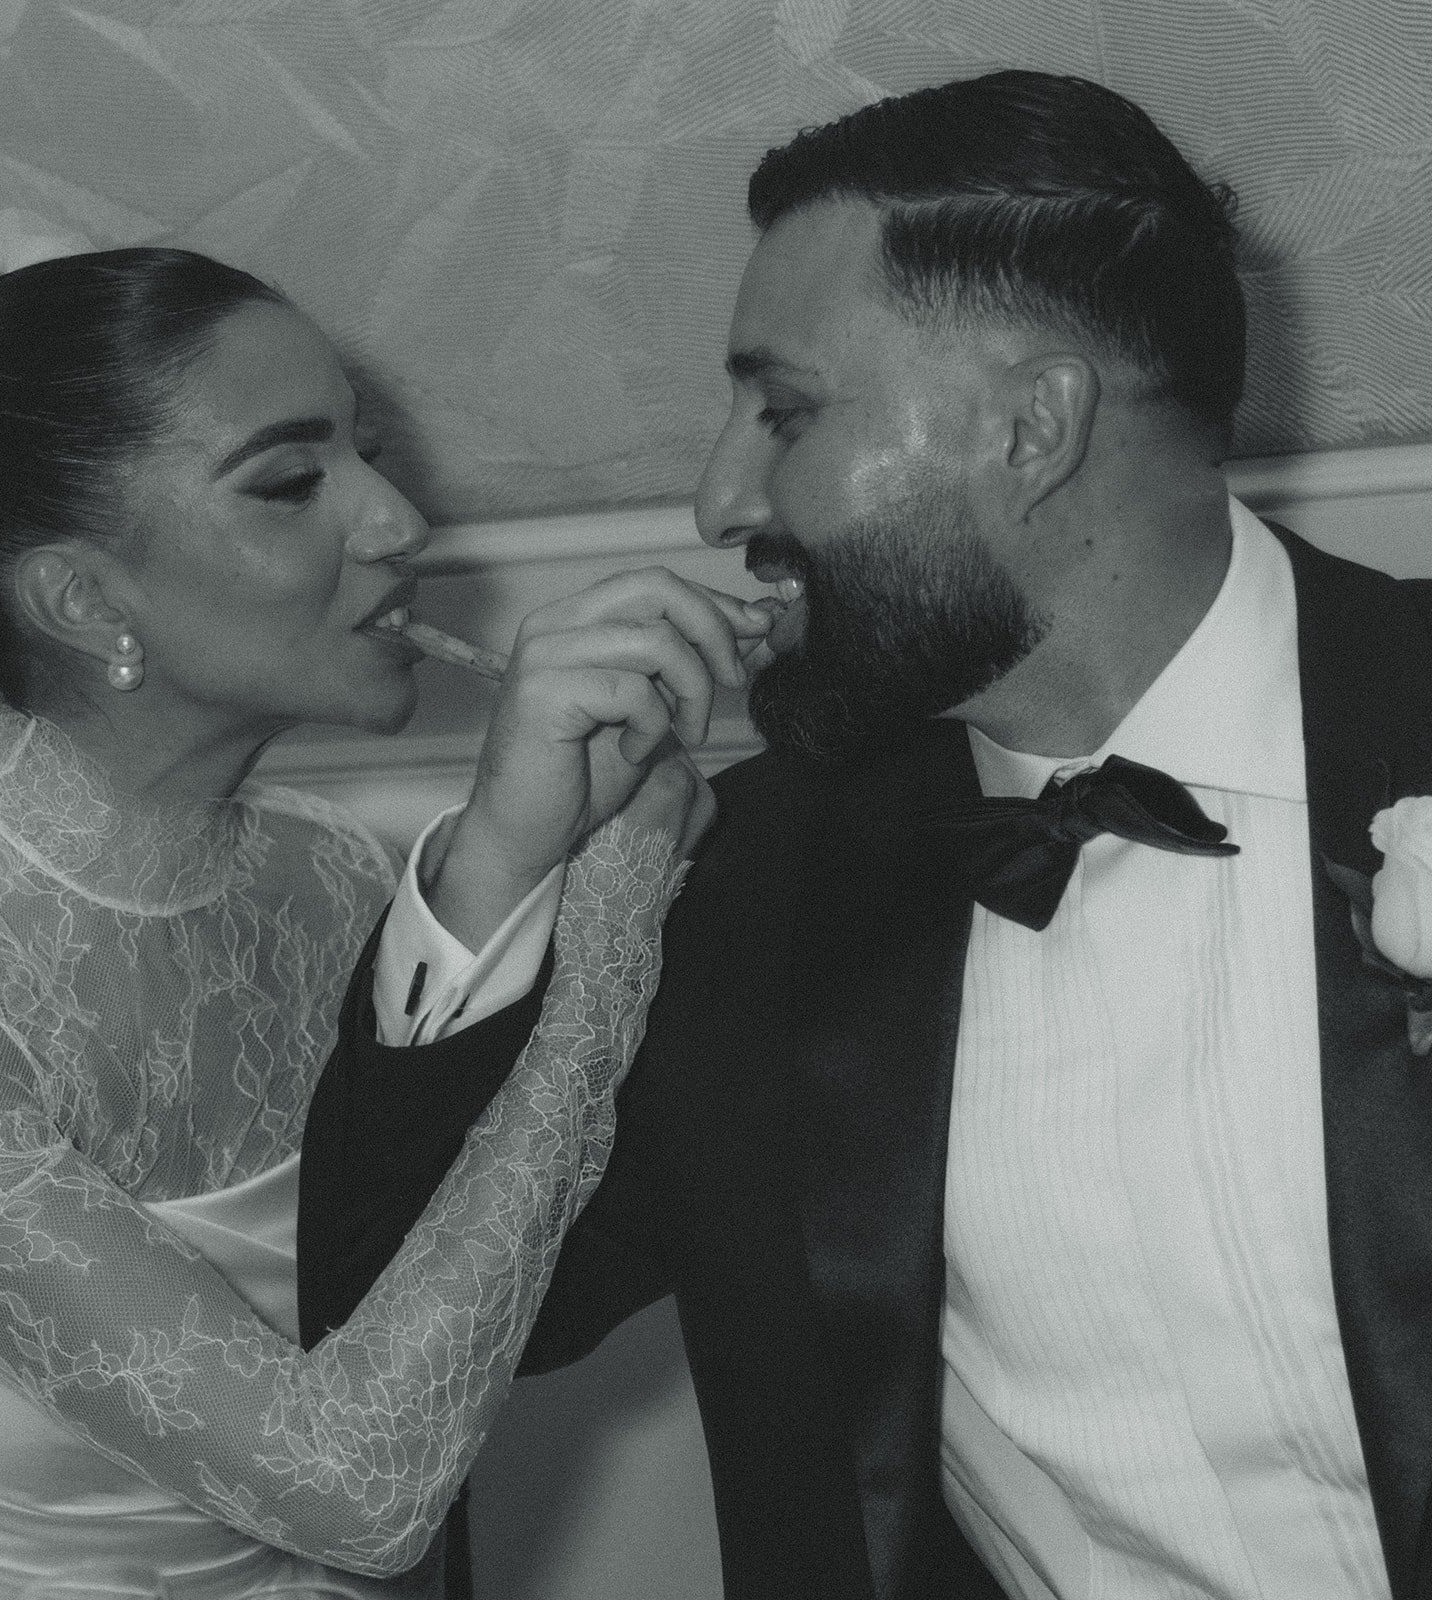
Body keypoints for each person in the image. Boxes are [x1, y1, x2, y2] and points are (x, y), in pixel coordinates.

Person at [298, 69, 1432, 1600]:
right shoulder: (746, 883)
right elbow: (389, 1358)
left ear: (1033, 425)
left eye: (785, 412)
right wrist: (500, 863)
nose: (715, 498)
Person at [0, 213, 765, 1599]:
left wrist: (516, 859)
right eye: (289, 482)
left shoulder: (323, 873)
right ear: (86, 601)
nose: (396, 521)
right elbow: (358, 1491)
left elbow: (421, 1296)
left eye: (368, 451)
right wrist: (616, 912)